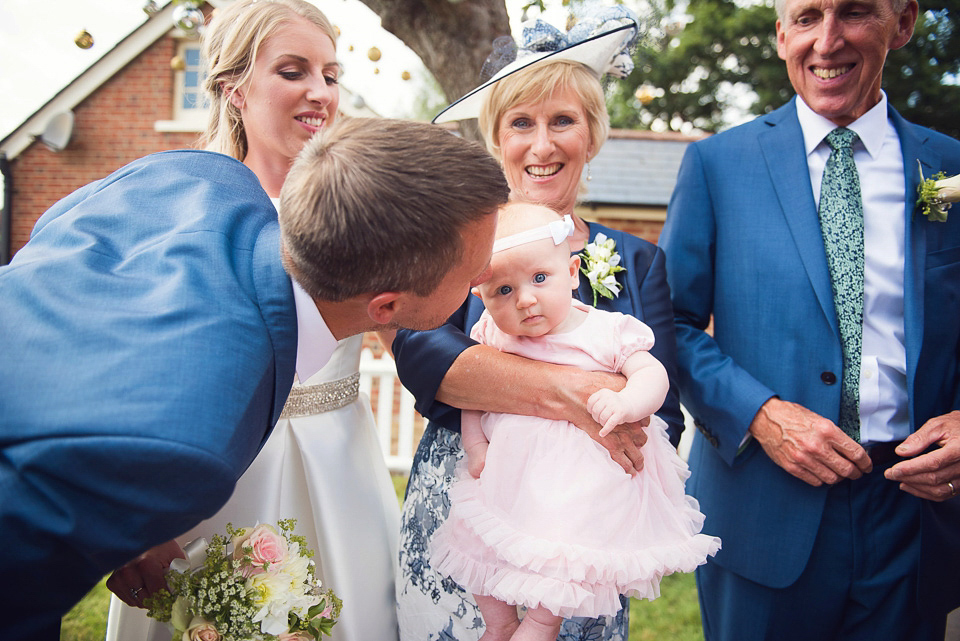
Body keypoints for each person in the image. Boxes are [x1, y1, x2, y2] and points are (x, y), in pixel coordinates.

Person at [0, 114, 509, 641]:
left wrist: (136, 527)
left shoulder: (199, 175)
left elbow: (57, 235)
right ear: (386, 306)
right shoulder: (187, 442)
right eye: (472, 273)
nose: (484, 278)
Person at [659, 0, 960, 638]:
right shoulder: (717, 165)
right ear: (779, 34)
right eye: (806, 17)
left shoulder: (949, 167)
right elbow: (672, 326)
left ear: (902, 24)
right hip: (762, 507)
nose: (827, 41)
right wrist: (762, 415)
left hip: (913, 512)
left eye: (854, 12)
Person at [101, 2, 401, 640]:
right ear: (233, 88)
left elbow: (429, 345)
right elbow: (124, 374)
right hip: (210, 486)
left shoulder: (366, 212)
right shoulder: (177, 207)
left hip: (340, 472)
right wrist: (136, 523)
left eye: (330, 73)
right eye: (293, 71)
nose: (319, 92)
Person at [393, 10, 685, 641]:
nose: (542, 144)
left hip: (584, 540)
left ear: (593, 133)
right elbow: (423, 355)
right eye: (521, 123)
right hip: (467, 511)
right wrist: (575, 393)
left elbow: (668, 411)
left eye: (563, 121)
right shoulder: (451, 244)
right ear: (496, 137)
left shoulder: (639, 261)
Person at [429, 202, 720, 641]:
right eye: (503, 291)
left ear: (573, 271)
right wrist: (475, 444)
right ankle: (499, 620)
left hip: (579, 478)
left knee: (565, 544)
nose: (525, 300)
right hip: (510, 466)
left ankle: (543, 622)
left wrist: (628, 404)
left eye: (539, 279)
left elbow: (653, 373)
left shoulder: (606, 330)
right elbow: (472, 396)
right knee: (477, 537)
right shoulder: (492, 332)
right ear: (481, 297)